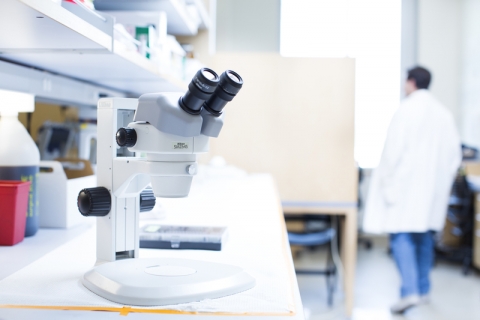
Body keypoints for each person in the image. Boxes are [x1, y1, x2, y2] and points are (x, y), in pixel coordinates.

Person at [363, 66, 462, 314]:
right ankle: (423, 289)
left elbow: (392, 153)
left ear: (410, 82)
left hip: (405, 190)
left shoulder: (406, 111)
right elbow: (454, 156)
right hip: (431, 193)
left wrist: (386, 182)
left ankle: (409, 292)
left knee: (401, 237)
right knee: (424, 237)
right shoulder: (444, 114)